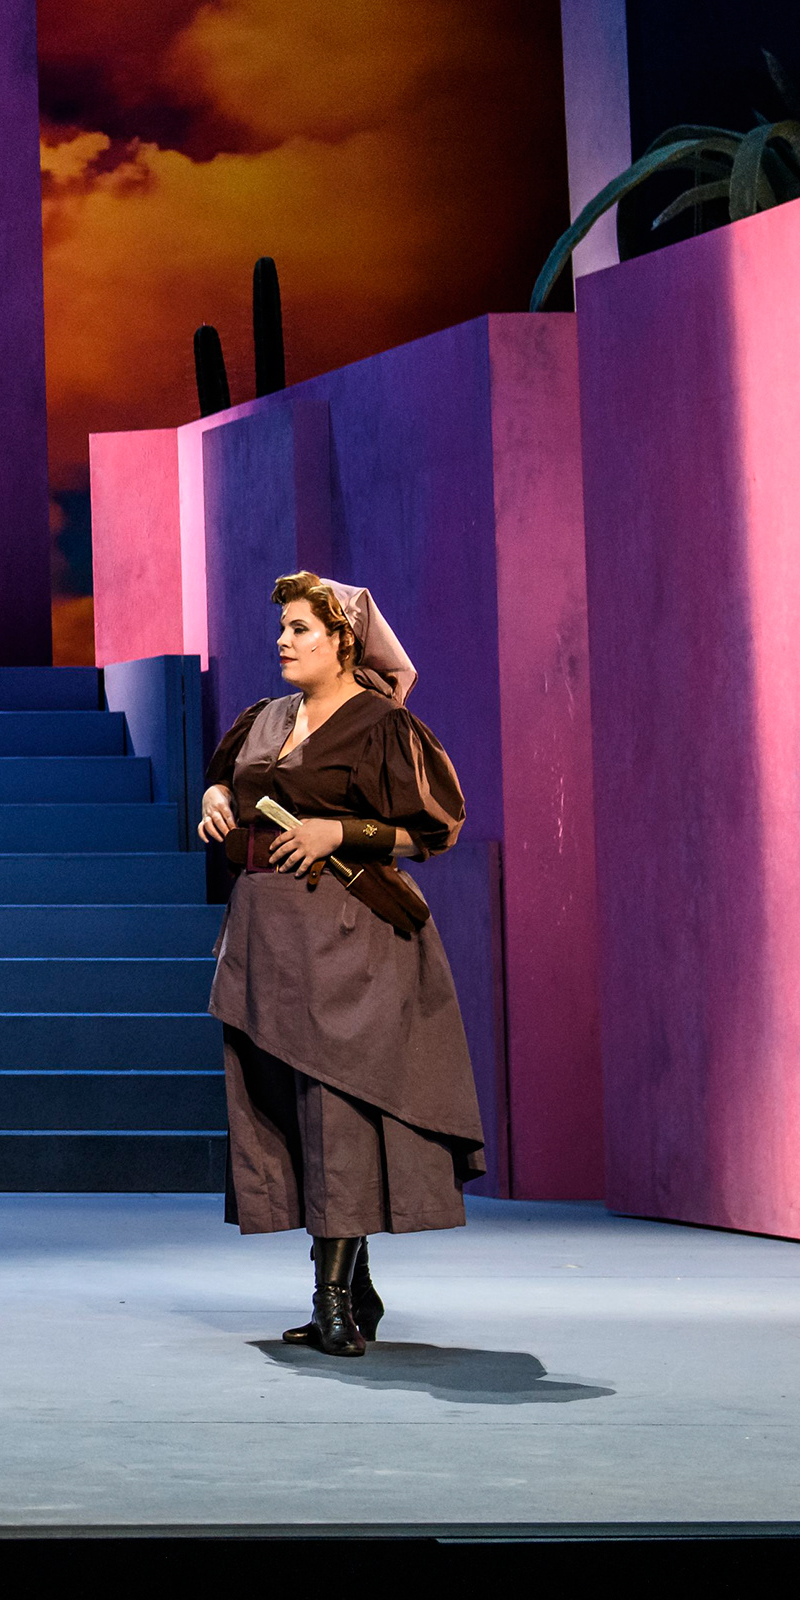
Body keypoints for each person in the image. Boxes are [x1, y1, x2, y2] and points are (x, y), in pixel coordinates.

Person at [197, 572, 488, 1358]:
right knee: (289, 1112)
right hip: (265, 938)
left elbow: (435, 829)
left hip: (346, 938)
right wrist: (216, 798)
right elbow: (229, 778)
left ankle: (331, 1298)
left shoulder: (381, 726)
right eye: (283, 628)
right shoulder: (265, 718)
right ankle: (356, 1287)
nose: (283, 641)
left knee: (338, 1112)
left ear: (343, 642)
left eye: (301, 629)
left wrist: (340, 832)